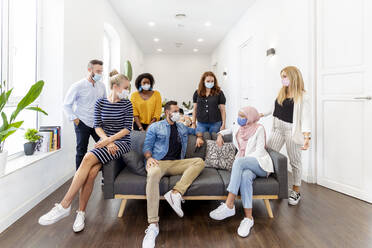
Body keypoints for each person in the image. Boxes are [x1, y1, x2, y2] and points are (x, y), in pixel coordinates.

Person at [39, 71, 133, 232]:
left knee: (88, 157)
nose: (128, 91)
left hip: (121, 142)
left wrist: (109, 140)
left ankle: (64, 205)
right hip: (105, 141)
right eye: (126, 88)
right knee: (90, 174)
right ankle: (80, 213)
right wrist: (105, 140)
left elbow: (126, 129)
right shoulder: (100, 103)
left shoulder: (127, 104)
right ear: (115, 87)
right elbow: (97, 126)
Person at [142, 101, 205, 248]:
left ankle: (176, 193)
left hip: (177, 163)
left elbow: (197, 130)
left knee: (199, 161)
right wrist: (149, 158)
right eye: (175, 111)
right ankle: (153, 225)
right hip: (159, 162)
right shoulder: (156, 127)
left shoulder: (182, 127)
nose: (178, 114)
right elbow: (147, 145)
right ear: (167, 112)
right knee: (152, 176)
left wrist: (200, 136)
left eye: (179, 111)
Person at [209, 106, 273, 238]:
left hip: (259, 163)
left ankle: (229, 204)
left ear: (250, 117)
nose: (240, 119)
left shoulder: (259, 128)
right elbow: (228, 130)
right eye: (239, 116)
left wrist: (245, 161)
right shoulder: (239, 129)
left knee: (238, 162)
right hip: (247, 167)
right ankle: (248, 218)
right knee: (245, 176)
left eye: (243, 116)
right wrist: (220, 135)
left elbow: (260, 150)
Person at [261, 66, 311, 206]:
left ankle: (296, 190)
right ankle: (275, 187)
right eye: (282, 76)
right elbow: (274, 108)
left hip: (291, 131)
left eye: (285, 76)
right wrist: (260, 114)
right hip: (277, 128)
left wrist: (307, 137)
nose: (283, 79)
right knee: (269, 155)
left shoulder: (302, 96)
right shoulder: (282, 92)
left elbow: (306, 118)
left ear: (293, 77)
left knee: (295, 161)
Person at [63, 59, 107, 170]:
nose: (99, 74)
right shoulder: (77, 86)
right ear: (89, 70)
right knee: (81, 150)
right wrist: (75, 119)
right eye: (97, 71)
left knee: (105, 145)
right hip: (82, 122)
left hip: (97, 123)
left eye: (101, 71)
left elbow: (105, 103)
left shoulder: (102, 86)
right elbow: (66, 105)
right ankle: (79, 177)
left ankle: (103, 174)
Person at [192, 71, 226, 139]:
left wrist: (223, 124)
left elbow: (223, 110)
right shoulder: (197, 93)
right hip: (201, 123)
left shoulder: (219, 93)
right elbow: (195, 109)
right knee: (202, 141)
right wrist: (193, 123)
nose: (210, 83)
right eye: (208, 81)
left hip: (216, 123)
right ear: (203, 81)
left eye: (212, 81)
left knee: (214, 142)